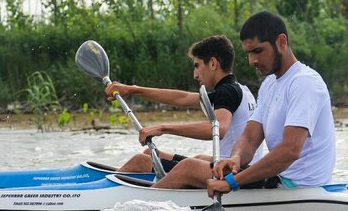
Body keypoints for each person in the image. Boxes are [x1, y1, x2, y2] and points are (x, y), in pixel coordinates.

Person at [209, 11, 336, 197]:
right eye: (248, 54)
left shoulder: (304, 82)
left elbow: (290, 150)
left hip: (298, 188)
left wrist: (233, 182)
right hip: (279, 179)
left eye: (258, 51)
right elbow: (250, 138)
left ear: (281, 42)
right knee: (204, 164)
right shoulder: (269, 85)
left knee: (189, 168)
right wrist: (235, 159)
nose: (252, 61)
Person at [105, 35, 261, 183]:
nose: (195, 74)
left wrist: (163, 128)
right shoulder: (240, 90)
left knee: (141, 161)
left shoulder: (227, 92)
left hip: (233, 171)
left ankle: (99, 194)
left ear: (213, 63)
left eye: (197, 66)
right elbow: (182, 98)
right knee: (149, 154)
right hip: (239, 166)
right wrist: (133, 90)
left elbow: (218, 129)